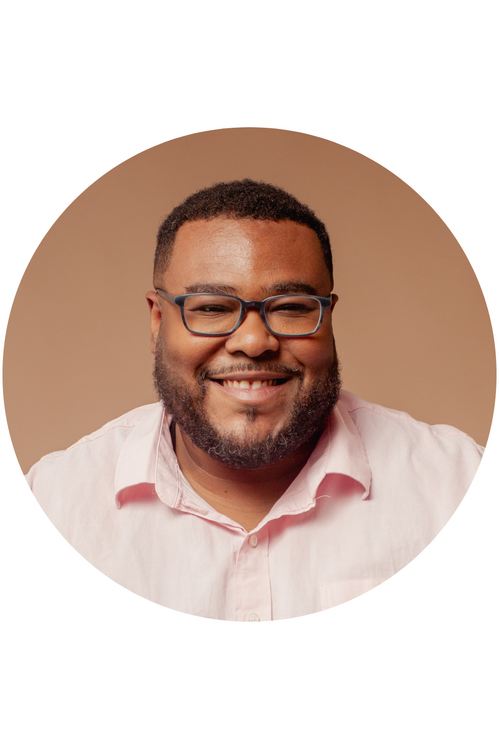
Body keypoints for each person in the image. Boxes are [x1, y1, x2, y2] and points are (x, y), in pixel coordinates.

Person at [26, 179, 483, 621]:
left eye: (291, 307)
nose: (253, 341)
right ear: (157, 321)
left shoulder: (459, 488)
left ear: (328, 320)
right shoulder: (52, 507)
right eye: (211, 307)